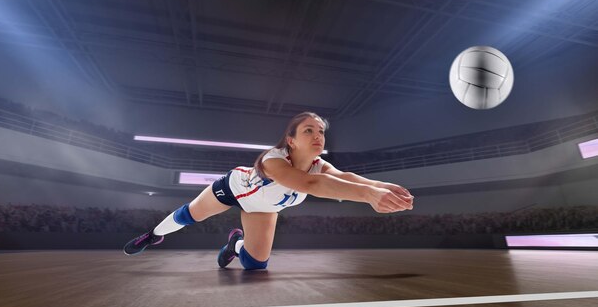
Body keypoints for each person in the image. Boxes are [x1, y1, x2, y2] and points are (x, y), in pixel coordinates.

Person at [123, 112, 414, 270]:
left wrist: (383, 186)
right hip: (232, 190)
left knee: (255, 265)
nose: (317, 136)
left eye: (321, 131)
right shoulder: (273, 159)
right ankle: (153, 235)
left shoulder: (319, 164)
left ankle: (234, 244)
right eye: (308, 130)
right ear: (291, 139)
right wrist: (368, 197)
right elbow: (309, 185)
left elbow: (345, 177)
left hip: (263, 209)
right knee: (190, 215)